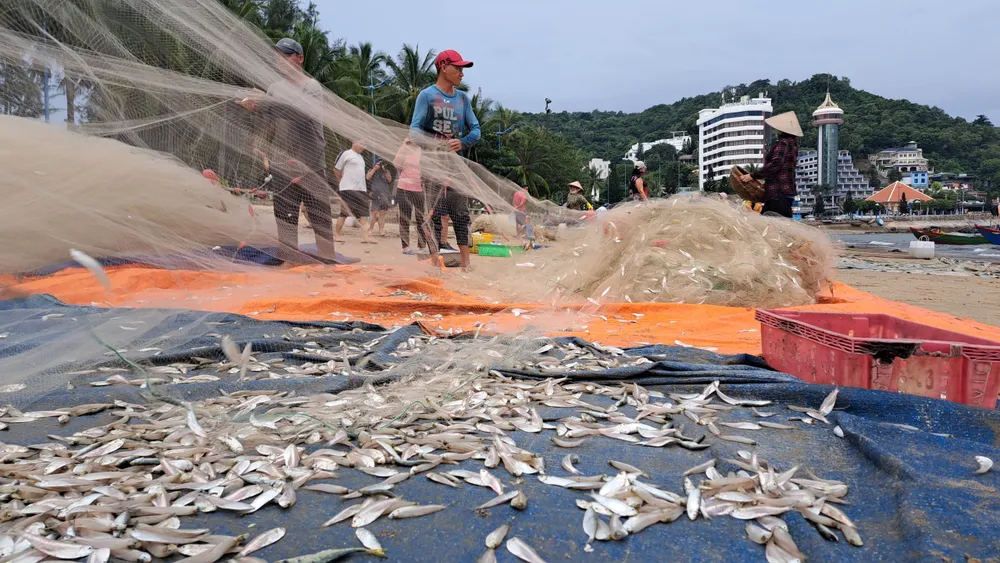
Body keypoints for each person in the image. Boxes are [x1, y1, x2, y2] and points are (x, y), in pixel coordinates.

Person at [235, 37, 338, 264]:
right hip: (283, 163)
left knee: (320, 218)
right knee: (285, 218)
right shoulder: (274, 88)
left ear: (299, 58)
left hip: (311, 163)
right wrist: (254, 109)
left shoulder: (311, 87)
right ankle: (291, 263)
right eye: (277, 57)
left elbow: (301, 114)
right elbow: (269, 118)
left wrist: (263, 103)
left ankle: (330, 264)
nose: (280, 61)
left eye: (285, 55)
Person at [409, 49, 481, 270]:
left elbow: (476, 130)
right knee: (432, 211)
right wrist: (434, 144)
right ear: (443, 67)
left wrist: (463, 141)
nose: (461, 73)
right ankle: (434, 262)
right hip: (432, 164)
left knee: (460, 212)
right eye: (457, 68)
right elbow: (414, 131)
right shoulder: (427, 96)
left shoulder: (462, 99)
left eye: (463, 69)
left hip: (455, 165)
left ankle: (466, 263)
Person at [740, 111, 802, 218]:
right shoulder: (793, 144)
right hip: (784, 193)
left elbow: (775, 164)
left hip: (778, 193)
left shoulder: (783, 143)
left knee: (775, 228)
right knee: (770, 225)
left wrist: (752, 175)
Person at [333, 140, 375, 244]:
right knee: (344, 213)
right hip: (348, 189)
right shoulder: (346, 154)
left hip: (361, 190)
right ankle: (337, 235)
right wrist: (341, 182)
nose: (363, 147)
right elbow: (336, 169)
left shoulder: (361, 157)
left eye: (364, 144)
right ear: (354, 142)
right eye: (361, 144)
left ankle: (366, 237)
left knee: (364, 214)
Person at [393, 138, 428, 254]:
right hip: (404, 187)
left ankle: (422, 245)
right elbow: (396, 163)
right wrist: (403, 146)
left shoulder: (422, 150)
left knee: (420, 217)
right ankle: (405, 246)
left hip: (419, 188)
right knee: (404, 217)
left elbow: (428, 168)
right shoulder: (405, 148)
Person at [368, 156, 393, 237]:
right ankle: (370, 230)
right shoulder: (372, 170)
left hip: (385, 194)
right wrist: (374, 169)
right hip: (375, 194)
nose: (380, 165)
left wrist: (384, 170)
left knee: (383, 213)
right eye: (379, 163)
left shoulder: (386, 171)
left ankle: (381, 230)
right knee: (374, 212)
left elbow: (389, 179)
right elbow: (367, 177)